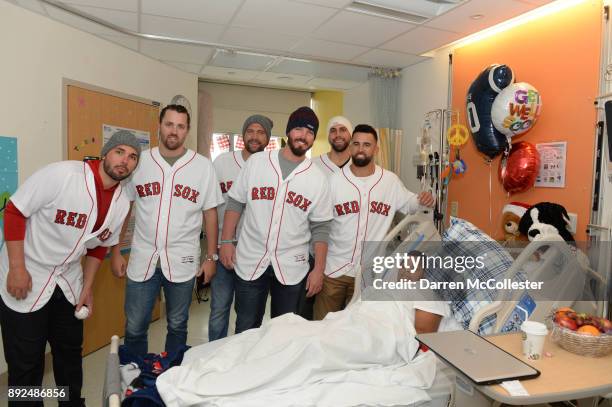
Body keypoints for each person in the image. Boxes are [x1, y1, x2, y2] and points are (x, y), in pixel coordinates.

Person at [0, 131, 141, 406]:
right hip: (28, 272)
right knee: (26, 364)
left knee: (69, 357)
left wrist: (87, 288)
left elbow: (98, 247)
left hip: (67, 280)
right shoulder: (63, 175)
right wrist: (17, 268)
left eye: (133, 156)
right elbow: (14, 211)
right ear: (106, 153)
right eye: (119, 151)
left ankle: (70, 402)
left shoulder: (122, 202)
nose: (125, 160)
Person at [110, 104, 223, 356]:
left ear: (187, 130)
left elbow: (210, 214)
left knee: (178, 325)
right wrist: (116, 251)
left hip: (182, 260)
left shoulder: (202, 167)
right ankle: (136, 379)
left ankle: (172, 378)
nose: (174, 131)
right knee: (136, 326)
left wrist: (211, 257)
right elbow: (124, 209)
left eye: (180, 126)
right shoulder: (139, 162)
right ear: (159, 126)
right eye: (169, 124)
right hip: (143, 259)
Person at [220, 106, 332, 334]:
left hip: (292, 265)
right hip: (252, 258)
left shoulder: (317, 178)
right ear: (289, 132)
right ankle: (244, 369)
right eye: (299, 129)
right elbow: (235, 203)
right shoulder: (258, 162)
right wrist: (226, 242)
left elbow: (321, 228)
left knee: (284, 333)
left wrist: (318, 269)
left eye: (310, 132)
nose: (303, 136)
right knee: (246, 329)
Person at [313, 124, 435, 321]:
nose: (361, 149)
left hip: (368, 275)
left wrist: (425, 199)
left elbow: (411, 204)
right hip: (334, 271)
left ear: (376, 149)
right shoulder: (334, 181)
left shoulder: (390, 182)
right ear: (351, 147)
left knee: (359, 333)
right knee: (322, 328)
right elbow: (319, 225)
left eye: (367, 145)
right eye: (357, 144)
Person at [209, 114, 273, 341]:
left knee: (247, 315)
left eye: (261, 132)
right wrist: (212, 249)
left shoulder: (272, 167)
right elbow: (210, 206)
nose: (255, 136)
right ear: (243, 134)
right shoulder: (222, 162)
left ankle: (239, 358)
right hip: (223, 246)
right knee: (219, 309)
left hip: (253, 252)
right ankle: (213, 357)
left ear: (268, 139)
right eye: (251, 131)